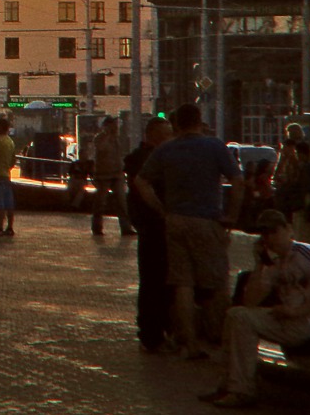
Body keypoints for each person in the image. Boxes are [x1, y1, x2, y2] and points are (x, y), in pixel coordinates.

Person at [133, 102, 245, 359]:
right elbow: (238, 181)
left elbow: (141, 182)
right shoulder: (214, 146)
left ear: (177, 124)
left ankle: (190, 344)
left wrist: (162, 210)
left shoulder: (166, 149)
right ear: (199, 121)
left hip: (175, 221)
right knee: (216, 281)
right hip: (207, 220)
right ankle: (224, 342)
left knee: (182, 283)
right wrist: (232, 216)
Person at [201, 208, 310, 408]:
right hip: (288, 319)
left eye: (274, 232)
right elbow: (250, 302)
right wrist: (259, 265)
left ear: (288, 229)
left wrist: (298, 311)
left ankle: (241, 390)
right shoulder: (274, 263)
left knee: (241, 318)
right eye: (265, 234)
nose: (270, 238)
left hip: (309, 322)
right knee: (235, 315)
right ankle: (230, 385)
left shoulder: (304, 252)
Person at [126, 116, 174, 352]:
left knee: (158, 281)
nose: (170, 139)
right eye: (166, 135)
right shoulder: (144, 160)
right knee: (155, 281)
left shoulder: (147, 158)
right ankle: (153, 334)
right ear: (152, 135)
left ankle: (157, 330)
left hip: (153, 227)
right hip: (153, 227)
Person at [89, 116, 135, 237]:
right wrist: (108, 135)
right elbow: (101, 149)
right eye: (113, 125)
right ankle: (97, 227)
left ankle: (126, 227)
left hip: (117, 173)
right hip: (103, 175)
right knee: (100, 202)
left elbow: (119, 154)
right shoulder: (100, 138)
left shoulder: (117, 139)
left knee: (122, 202)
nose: (116, 127)